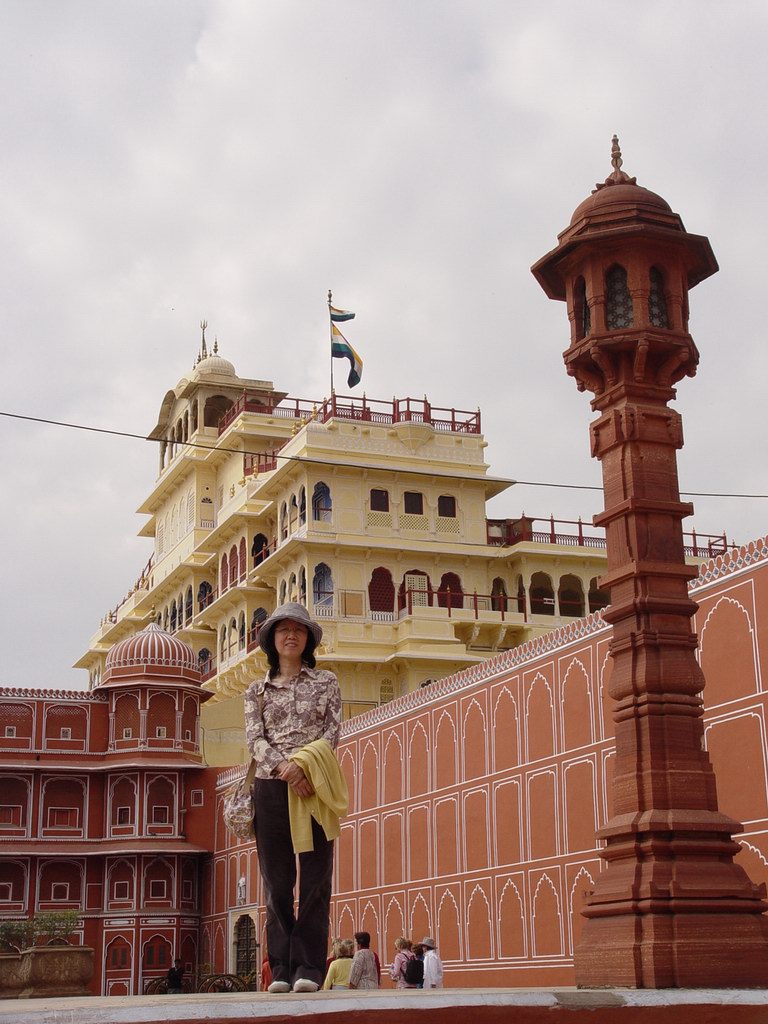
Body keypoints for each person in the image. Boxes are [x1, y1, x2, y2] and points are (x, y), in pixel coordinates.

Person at [244, 603, 343, 995]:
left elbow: (332, 731)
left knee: (316, 879)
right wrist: (285, 768)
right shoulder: (256, 691)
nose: (291, 636)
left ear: (307, 640)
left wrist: (303, 768)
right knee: (277, 883)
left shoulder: (326, 682)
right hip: (271, 788)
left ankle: (309, 968)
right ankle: (281, 969)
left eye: (298, 630)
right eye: (283, 630)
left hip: (314, 785)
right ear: (272, 639)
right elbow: (254, 739)